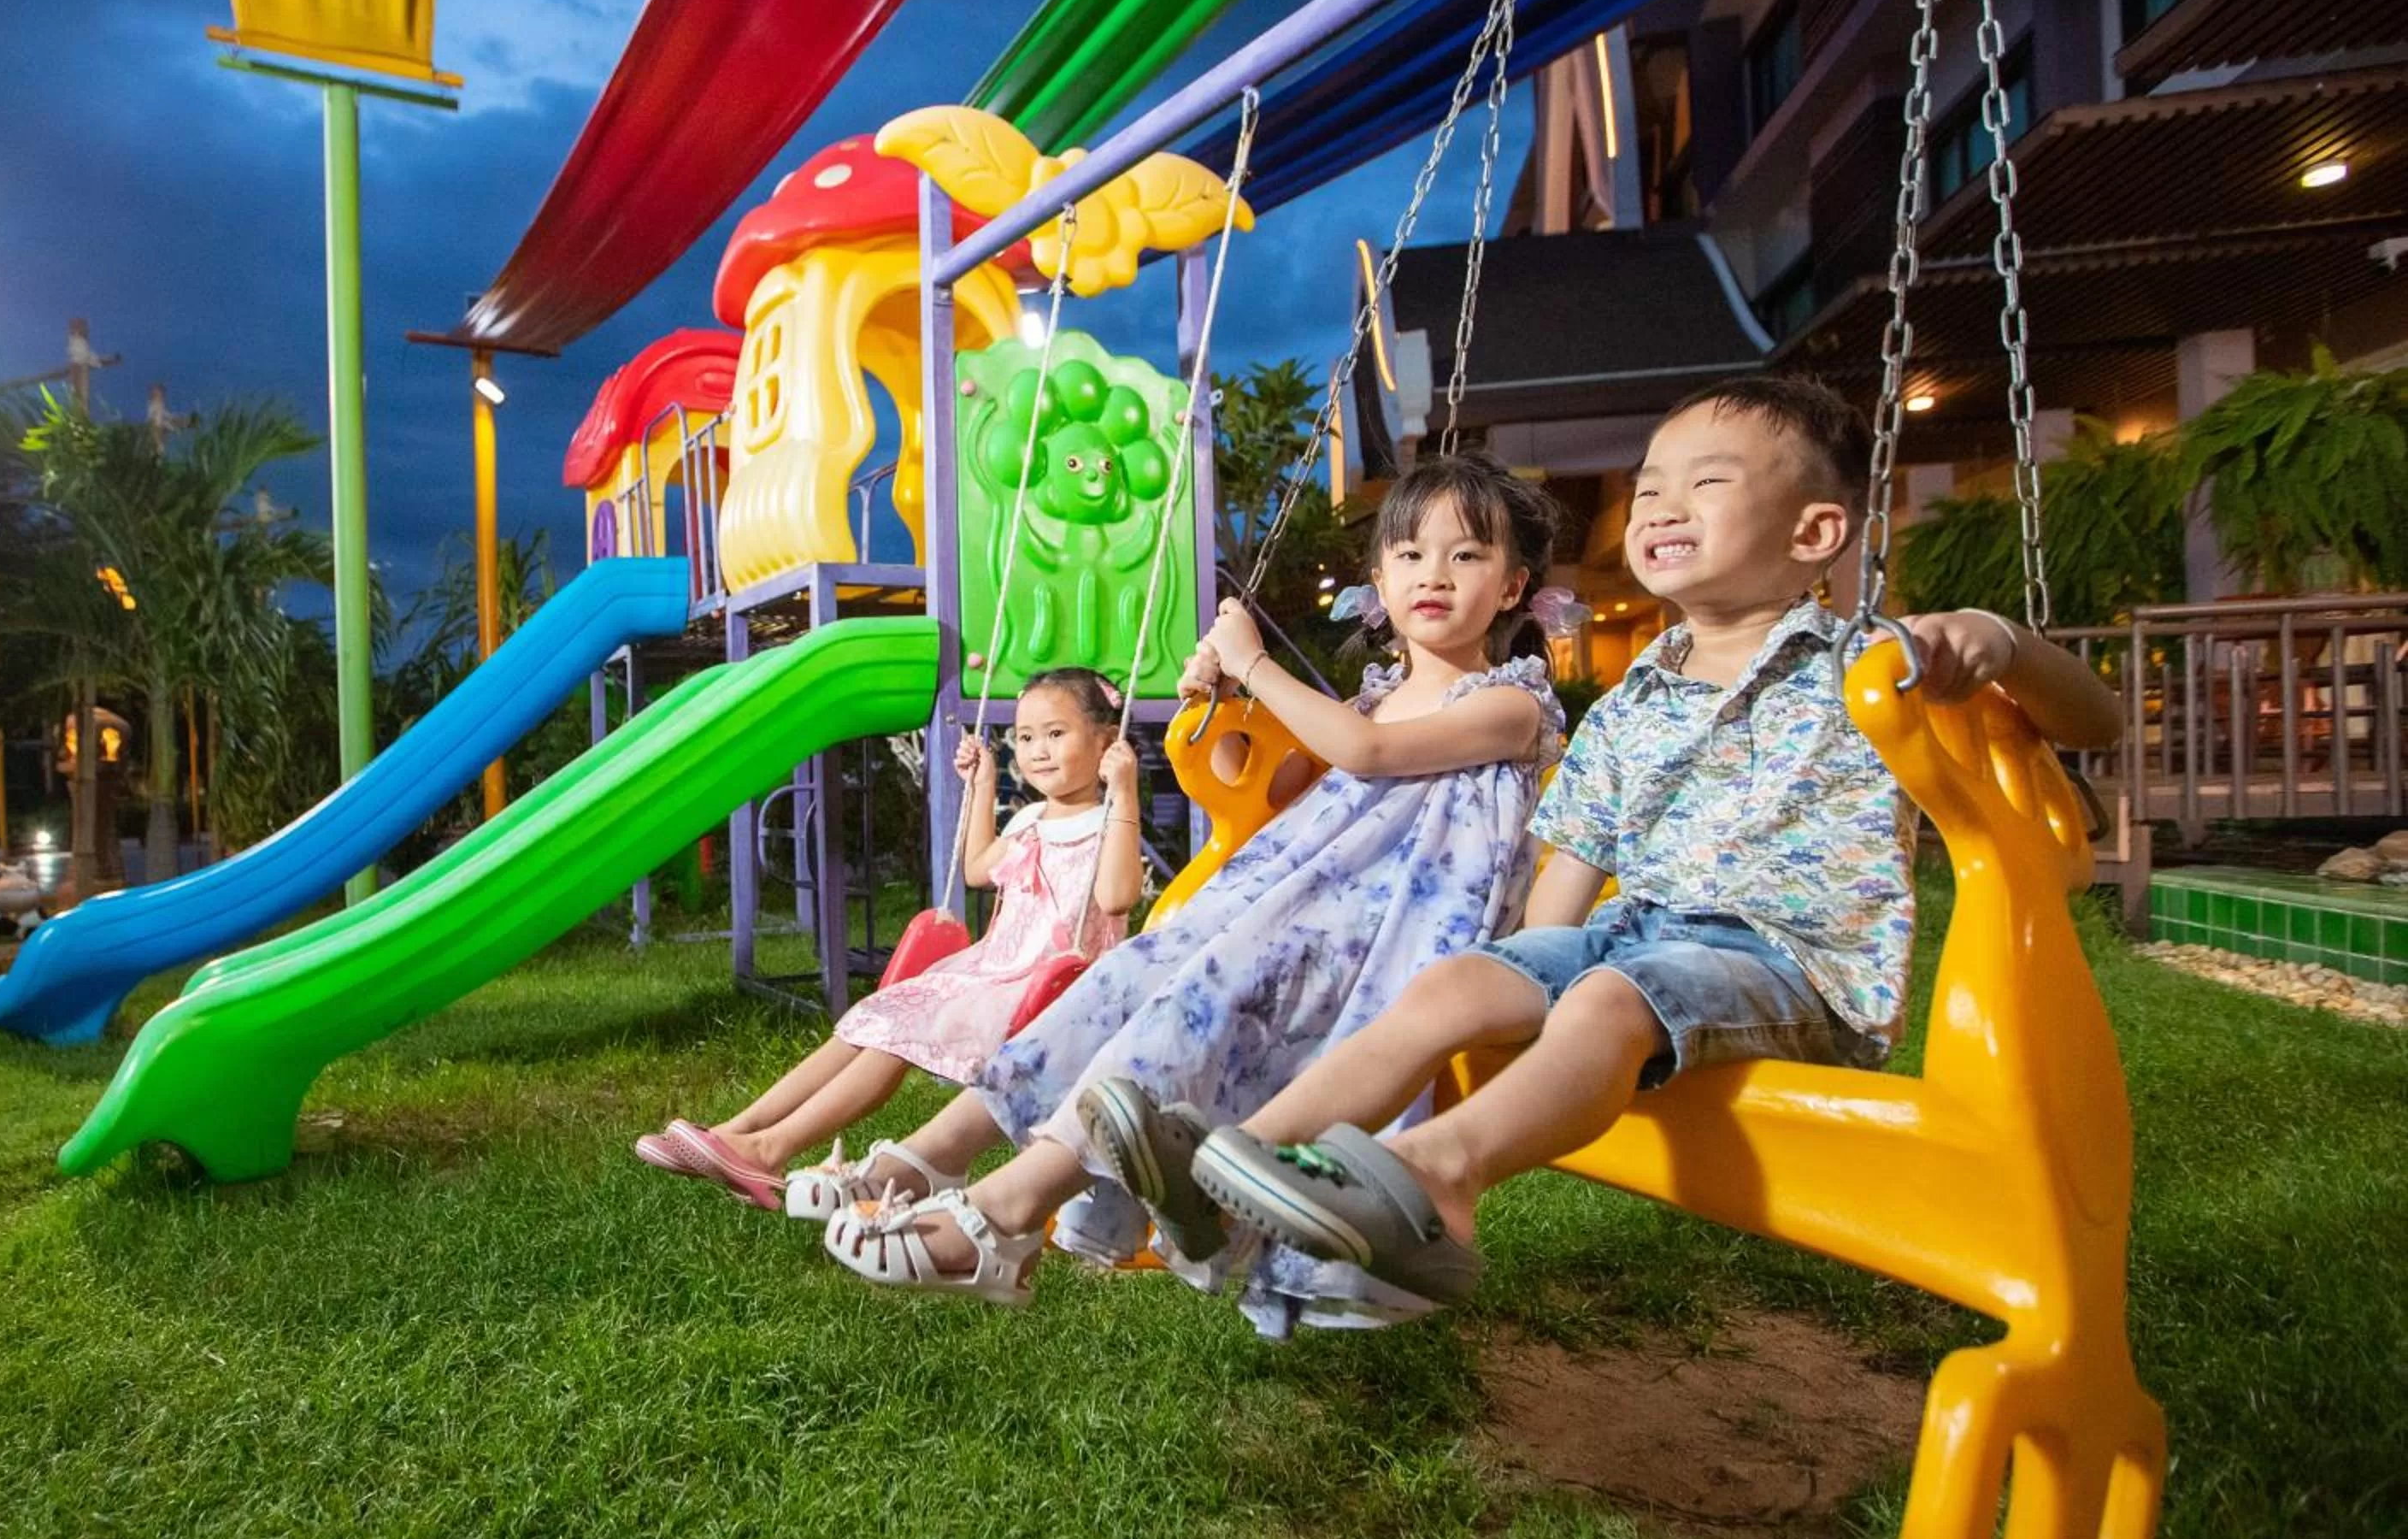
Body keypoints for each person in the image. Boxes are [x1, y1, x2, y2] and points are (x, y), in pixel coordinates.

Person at [1089, 375, 2126, 1309]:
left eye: (1705, 484)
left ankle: (1436, 1178)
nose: (1662, 505)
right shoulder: (1635, 701)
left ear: (1813, 533)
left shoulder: (1874, 662)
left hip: (1788, 962)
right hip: (1636, 937)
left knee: (1604, 999)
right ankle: (1231, 1167)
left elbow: (2097, 722)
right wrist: (1512, 975)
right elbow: (1567, 882)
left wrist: (2005, 639)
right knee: (1459, 985)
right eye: (1652, 485)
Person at [813, 450, 1581, 1318]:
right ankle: (938, 1150)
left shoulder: (1511, 705)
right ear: (1380, 580)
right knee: (1124, 977)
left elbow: (1367, 758)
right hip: (1292, 904)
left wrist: (1255, 663)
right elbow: (1295, 796)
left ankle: (1007, 1212)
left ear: (1514, 586)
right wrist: (1222, 706)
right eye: (1410, 554)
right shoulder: (1373, 699)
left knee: (1199, 997)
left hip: (1378, 941)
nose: (1432, 574)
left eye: (1466, 554)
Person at [635, 667, 1142, 1205]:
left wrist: (1126, 793)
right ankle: (735, 1133)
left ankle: (769, 1150)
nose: (1038, 750)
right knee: (869, 1021)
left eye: (1056, 734)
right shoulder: (1030, 819)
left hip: (1049, 989)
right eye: (1024, 737)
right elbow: (975, 869)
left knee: (895, 1036)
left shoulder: (1108, 822)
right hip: (988, 971)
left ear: (1106, 742)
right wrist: (984, 783)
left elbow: (1115, 899)